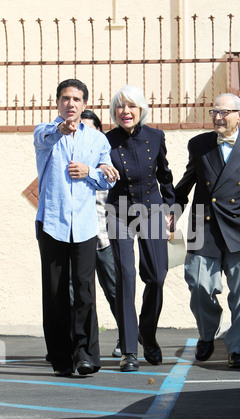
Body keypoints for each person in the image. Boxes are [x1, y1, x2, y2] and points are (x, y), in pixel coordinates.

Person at [174, 93, 240, 368]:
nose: (217, 117)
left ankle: (238, 350)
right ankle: (208, 333)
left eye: (224, 112)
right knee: (198, 285)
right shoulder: (199, 144)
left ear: (239, 115)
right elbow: (186, 183)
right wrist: (172, 211)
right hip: (203, 225)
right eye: (214, 112)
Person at [34, 79, 119, 377]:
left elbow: (109, 177)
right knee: (55, 292)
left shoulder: (96, 140)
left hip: (84, 225)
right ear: (57, 102)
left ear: (84, 104)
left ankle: (85, 354)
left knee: (84, 290)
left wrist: (91, 171)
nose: (71, 104)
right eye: (66, 98)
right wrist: (60, 130)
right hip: (52, 224)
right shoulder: (45, 132)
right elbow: (45, 139)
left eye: (77, 99)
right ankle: (60, 357)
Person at [105, 85, 175, 372]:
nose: (125, 111)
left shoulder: (156, 137)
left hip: (153, 208)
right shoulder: (105, 140)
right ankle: (129, 350)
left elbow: (165, 175)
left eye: (131, 106)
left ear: (141, 109)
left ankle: (148, 333)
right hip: (119, 212)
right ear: (114, 112)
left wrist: (171, 208)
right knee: (126, 277)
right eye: (120, 107)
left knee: (157, 277)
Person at [81, 109, 120, 357]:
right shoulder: (70, 160)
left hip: (105, 240)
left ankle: (127, 339)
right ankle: (80, 345)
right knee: (80, 297)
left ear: (99, 131)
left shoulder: (108, 163)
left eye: (90, 127)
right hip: (78, 241)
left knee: (115, 292)